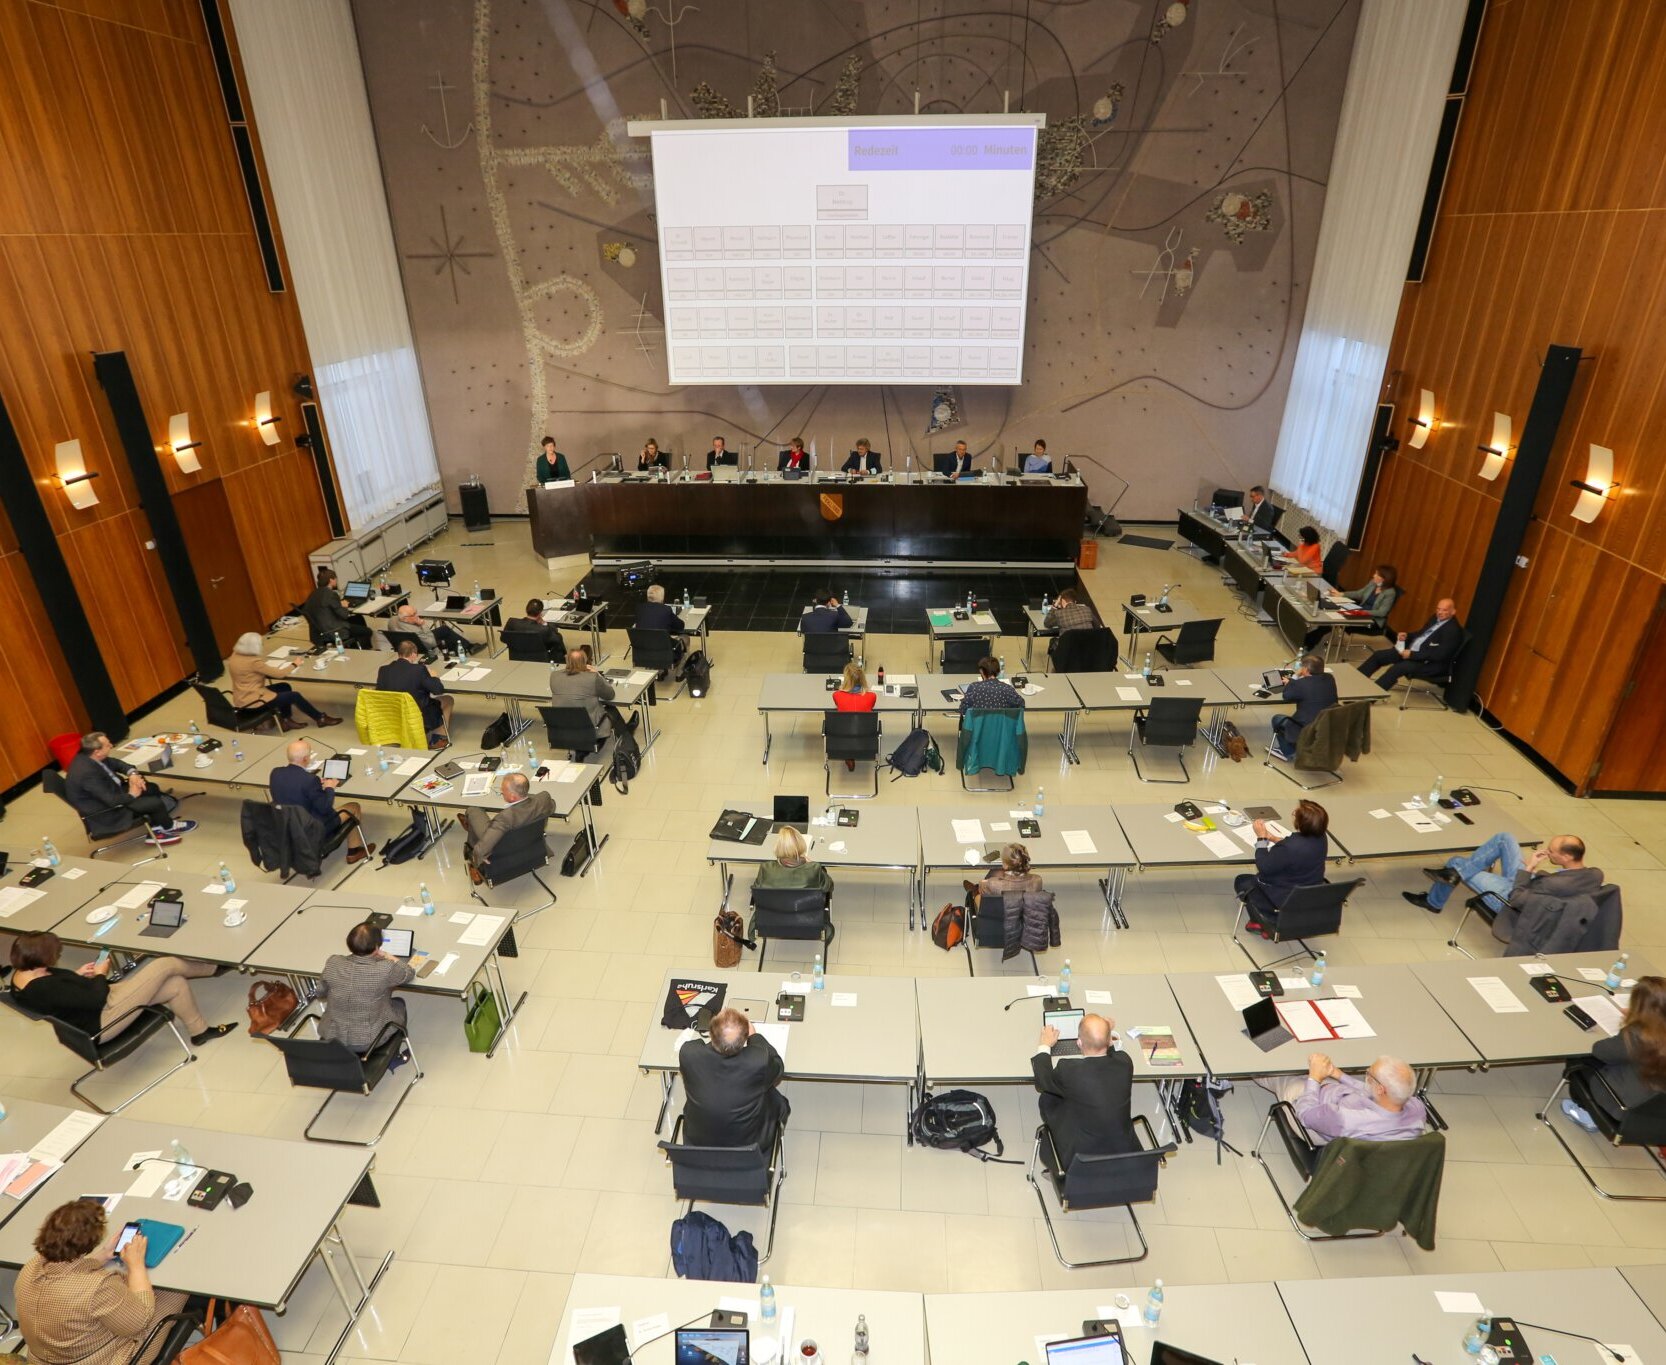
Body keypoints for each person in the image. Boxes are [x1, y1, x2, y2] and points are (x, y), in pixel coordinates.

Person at [15, 1198, 191, 1365]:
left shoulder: (32, 1266)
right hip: (104, 1359)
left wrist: (105, 1254)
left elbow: (67, 1269)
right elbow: (139, 1323)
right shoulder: (97, 1287)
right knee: (176, 1288)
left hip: (48, 1357)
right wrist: (136, 1265)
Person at [9, 930, 236, 1047]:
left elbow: (62, 995)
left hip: (93, 1007)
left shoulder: (23, 974)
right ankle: (214, 967)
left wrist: (75, 975)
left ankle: (199, 1032)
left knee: (175, 983)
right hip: (101, 1020)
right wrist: (100, 973)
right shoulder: (42, 988)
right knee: (165, 965)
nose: (57, 957)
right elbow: (96, 998)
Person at [1560, 975, 1666, 1132]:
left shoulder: (1639, 1034)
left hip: (1623, 1106)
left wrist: (1632, 1023)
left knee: (1579, 1060)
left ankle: (1588, 1113)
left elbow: (1600, 1051)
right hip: (1655, 1112)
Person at [1404, 831, 1598, 915]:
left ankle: (1433, 902)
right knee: (1505, 838)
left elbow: (1518, 898)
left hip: (1510, 898)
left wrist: (1529, 869)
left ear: (1566, 856)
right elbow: (1547, 884)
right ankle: (1458, 873)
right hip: (1531, 884)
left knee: (1456, 863)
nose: (1547, 852)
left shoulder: (1555, 884)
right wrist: (1533, 872)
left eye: (1552, 852)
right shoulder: (1593, 874)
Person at [678, 1006, 789, 1152]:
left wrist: (720, 1038)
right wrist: (755, 1037)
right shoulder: (758, 1060)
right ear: (744, 1039)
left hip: (699, 1145)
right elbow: (778, 1067)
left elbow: (702, 1049)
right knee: (776, 1099)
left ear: (710, 1034)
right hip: (750, 1147)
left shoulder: (689, 1053)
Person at [1033, 1013, 1137, 1167]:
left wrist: (1044, 1044)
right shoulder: (1125, 1063)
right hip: (1124, 1155)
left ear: (1079, 1042)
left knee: (1048, 1097)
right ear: (1109, 1040)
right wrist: (1104, 1033)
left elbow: (1043, 1080)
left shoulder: (1069, 1070)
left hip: (1078, 1160)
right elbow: (1114, 1053)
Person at [64, 732, 195, 846]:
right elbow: (111, 801)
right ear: (97, 752)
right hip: (108, 810)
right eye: (108, 745)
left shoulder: (90, 756)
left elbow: (117, 763)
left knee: (151, 788)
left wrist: (132, 774)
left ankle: (157, 825)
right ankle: (168, 827)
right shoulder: (86, 774)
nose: (111, 746)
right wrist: (132, 794)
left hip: (113, 791)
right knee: (154, 803)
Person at [1272, 1053, 1427, 1144]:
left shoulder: (1347, 1120)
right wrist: (1339, 1075)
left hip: (1313, 1120)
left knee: (1276, 1073)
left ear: (1381, 1089)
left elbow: (1306, 1115)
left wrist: (1314, 1079)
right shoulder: (1416, 1108)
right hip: (1336, 1100)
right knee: (1310, 1068)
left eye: (1369, 1074)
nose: (1367, 1072)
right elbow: (1370, 1092)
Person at [317, 920, 415, 1051]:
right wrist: (387, 955)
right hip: (370, 1040)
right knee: (399, 1004)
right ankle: (394, 1055)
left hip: (332, 1036)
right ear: (376, 947)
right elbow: (408, 973)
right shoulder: (385, 968)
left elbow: (320, 992)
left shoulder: (333, 962)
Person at [270, 738, 373, 862]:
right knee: (354, 806)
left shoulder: (275, 773)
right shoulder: (309, 780)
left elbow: (293, 789)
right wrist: (330, 788)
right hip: (311, 828)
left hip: (288, 827)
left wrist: (315, 786)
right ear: (305, 759)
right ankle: (354, 852)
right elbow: (325, 808)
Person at [1237, 799, 1329, 936]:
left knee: (1241, 881)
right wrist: (1273, 838)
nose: (1294, 814)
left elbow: (1263, 866)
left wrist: (1261, 839)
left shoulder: (1289, 848)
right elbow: (1295, 847)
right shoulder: (1321, 837)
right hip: (1307, 895)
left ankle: (1265, 921)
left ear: (1301, 822)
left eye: (1296, 813)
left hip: (1282, 898)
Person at [226, 632, 341, 732]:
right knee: (295, 696)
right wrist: (294, 664)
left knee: (284, 686)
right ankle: (320, 718)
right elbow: (279, 674)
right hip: (254, 702)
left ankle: (286, 721)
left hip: (242, 697)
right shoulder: (253, 661)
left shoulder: (234, 656)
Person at [1360, 598, 1462, 690]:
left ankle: (1372, 695)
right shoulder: (1435, 618)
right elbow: (1421, 634)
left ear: (1453, 612)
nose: (1439, 612)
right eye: (1438, 609)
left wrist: (1412, 655)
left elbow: (1439, 655)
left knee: (1397, 668)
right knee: (1379, 655)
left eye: (1444, 610)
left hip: (1428, 663)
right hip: (1412, 652)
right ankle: (1356, 680)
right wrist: (1407, 636)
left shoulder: (1453, 631)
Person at [460, 771, 555, 871]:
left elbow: (480, 850)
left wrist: (477, 857)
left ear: (512, 796)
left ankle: (470, 838)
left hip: (505, 851)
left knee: (473, 810)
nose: (501, 791)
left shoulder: (504, 818)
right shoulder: (544, 799)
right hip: (532, 843)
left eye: (503, 790)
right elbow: (552, 806)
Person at [1303, 564, 1400, 652]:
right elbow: (1359, 594)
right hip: (1358, 611)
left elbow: (1382, 612)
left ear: (1384, 579)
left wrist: (1362, 612)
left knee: (1331, 623)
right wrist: (1342, 594)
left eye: (1376, 574)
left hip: (1371, 620)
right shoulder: (1373, 583)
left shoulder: (1390, 593)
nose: (1373, 575)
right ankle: (1307, 641)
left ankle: (1307, 644)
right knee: (1330, 613)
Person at [376, 639, 451, 746]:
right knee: (448, 699)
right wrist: (434, 677)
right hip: (416, 715)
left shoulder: (383, 670)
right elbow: (438, 690)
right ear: (413, 654)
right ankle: (438, 738)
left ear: (399, 653)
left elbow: (379, 693)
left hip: (393, 714)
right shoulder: (419, 670)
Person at [550, 647, 637, 738]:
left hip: (563, 727)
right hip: (590, 728)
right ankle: (626, 734)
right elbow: (610, 695)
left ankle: (626, 732)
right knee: (611, 709)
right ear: (584, 661)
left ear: (567, 661)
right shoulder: (592, 678)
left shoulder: (554, 676)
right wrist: (597, 674)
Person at [1270, 654, 1338, 760]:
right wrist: (1293, 682)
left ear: (1305, 669)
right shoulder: (1330, 678)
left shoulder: (1301, 684)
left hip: (1308, 727)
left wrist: (1294, 678)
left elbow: (1286, 696)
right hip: (1327, 725)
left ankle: (1288, 751)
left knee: (1277, 719)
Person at [752, 825, 834, 893]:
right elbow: (829, 887)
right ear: (801, 844)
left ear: (778, 846)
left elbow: (756, 890)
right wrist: (820, 869)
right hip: (805, 907)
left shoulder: (765, 867)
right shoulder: (814, 868)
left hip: (773, 907)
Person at [304, 569, 371, 647]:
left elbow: (324, 608)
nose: (336, 581)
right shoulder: (331, 594)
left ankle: (354, 645)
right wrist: (344, 606)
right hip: (334, 631)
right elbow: (344, 615)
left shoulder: (313, 594)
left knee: (358, 618)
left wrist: (338, 604)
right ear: (331, 580)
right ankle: (364, 649)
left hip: (318, 633)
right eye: (335, 579)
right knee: (367, 631)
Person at [391, 602, 468, 660]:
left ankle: (467, 645)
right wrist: (422, 624)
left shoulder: (392, 620)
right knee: (446, 634)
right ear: (405, 619)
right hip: (422, 645)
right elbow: (431, 642)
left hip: (410, 641)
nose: (417, 615)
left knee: (444, 629)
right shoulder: (414, 630)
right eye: (413, 614)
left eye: (416, 612)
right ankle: (464, 647)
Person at [635, 584, 688, 660]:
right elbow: (680, 626)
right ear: (662, 597)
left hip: (642, 653)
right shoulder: (666, 610)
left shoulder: (639, 609)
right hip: (664, 653)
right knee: (685, 638)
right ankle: (682, 664)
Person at [500, 598, 565, 659]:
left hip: (516, 656)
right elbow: (557, 640)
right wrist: (545, 624)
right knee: (558, 639)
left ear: (526, 610)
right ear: (540, 613)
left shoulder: (512, 622)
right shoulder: (543, 629)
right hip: (539, 659)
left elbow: (503, 639)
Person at [959, 656, 1024, 714]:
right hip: (1000, 724)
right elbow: (1021, 705)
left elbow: (963, 710)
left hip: (978, 724)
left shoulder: (974, 687)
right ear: (998, 672)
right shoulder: (1007, 688)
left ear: (981, 671)